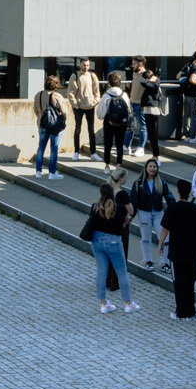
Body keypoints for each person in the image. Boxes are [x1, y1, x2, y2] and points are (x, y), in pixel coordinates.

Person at [80, 181, 137, 314]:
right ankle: (128, 303)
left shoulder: (95, 206)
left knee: (101, 272)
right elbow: (125, 223)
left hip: (97, 241)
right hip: (114, 241)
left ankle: (103, 303)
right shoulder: (121, 208)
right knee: (122, 272)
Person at [159, 179, 196, 320]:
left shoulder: (173, 208)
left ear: (178, 192)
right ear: (190, 192)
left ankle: (181, 311)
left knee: (179, 283)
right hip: (192, 251)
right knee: (189, 281)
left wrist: (160, 244)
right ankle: (191, 310)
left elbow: (164, 229)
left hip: (177, 251)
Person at [129, 158, 173, 270]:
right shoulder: (138, 183)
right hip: (144, 212)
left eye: (154, 166)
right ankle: (148, 260)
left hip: (158, 212)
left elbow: (169, 197)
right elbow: (134, 200)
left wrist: (173, 210)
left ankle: (165, 262)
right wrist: (131, 215)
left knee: (164, 238)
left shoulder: (161, 182)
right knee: (145, 238)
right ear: (146, 168)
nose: (152, 169)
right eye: (150, 166)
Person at [31, 76, 68, 179]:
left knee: (41, 147)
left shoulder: (38, 95)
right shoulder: (57, 96)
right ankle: (52, 172)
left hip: (42, 124)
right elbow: (64, 111)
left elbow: (35, 109)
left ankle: (38, 171)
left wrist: (40, 118)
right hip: (54, 125)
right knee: (54, 148)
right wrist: (64, 121)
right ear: (56, 85)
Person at [95, 71, 134, 167]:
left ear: (109, 83)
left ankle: (107, 165)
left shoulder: (106, 96)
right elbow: (129, 109)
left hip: (109, 122)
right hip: (122, 123)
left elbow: (100, 114)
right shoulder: (124, 95)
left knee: (107, 145)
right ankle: (119, 165)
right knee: (119, 145)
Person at [67, 59, 100, 160]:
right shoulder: (75, 76)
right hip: (79, 107)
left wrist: (94, 102)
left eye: (88, 65)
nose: (86, 67)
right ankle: (76, 151)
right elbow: (70, 92)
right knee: (78, 129)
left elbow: (97, 92)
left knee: (91, 130)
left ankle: (93, 152)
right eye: (84, 65)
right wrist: (75, 104)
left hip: (90, 106)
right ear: (80, 65)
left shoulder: (92, 76)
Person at [178, 47, 196, 141]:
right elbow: (192, 79)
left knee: (187, 115)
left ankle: (186, 135)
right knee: (194, 116)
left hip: (187, 94)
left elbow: (178, 76)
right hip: (195, 95)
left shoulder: (189, 66)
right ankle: (193, 136)